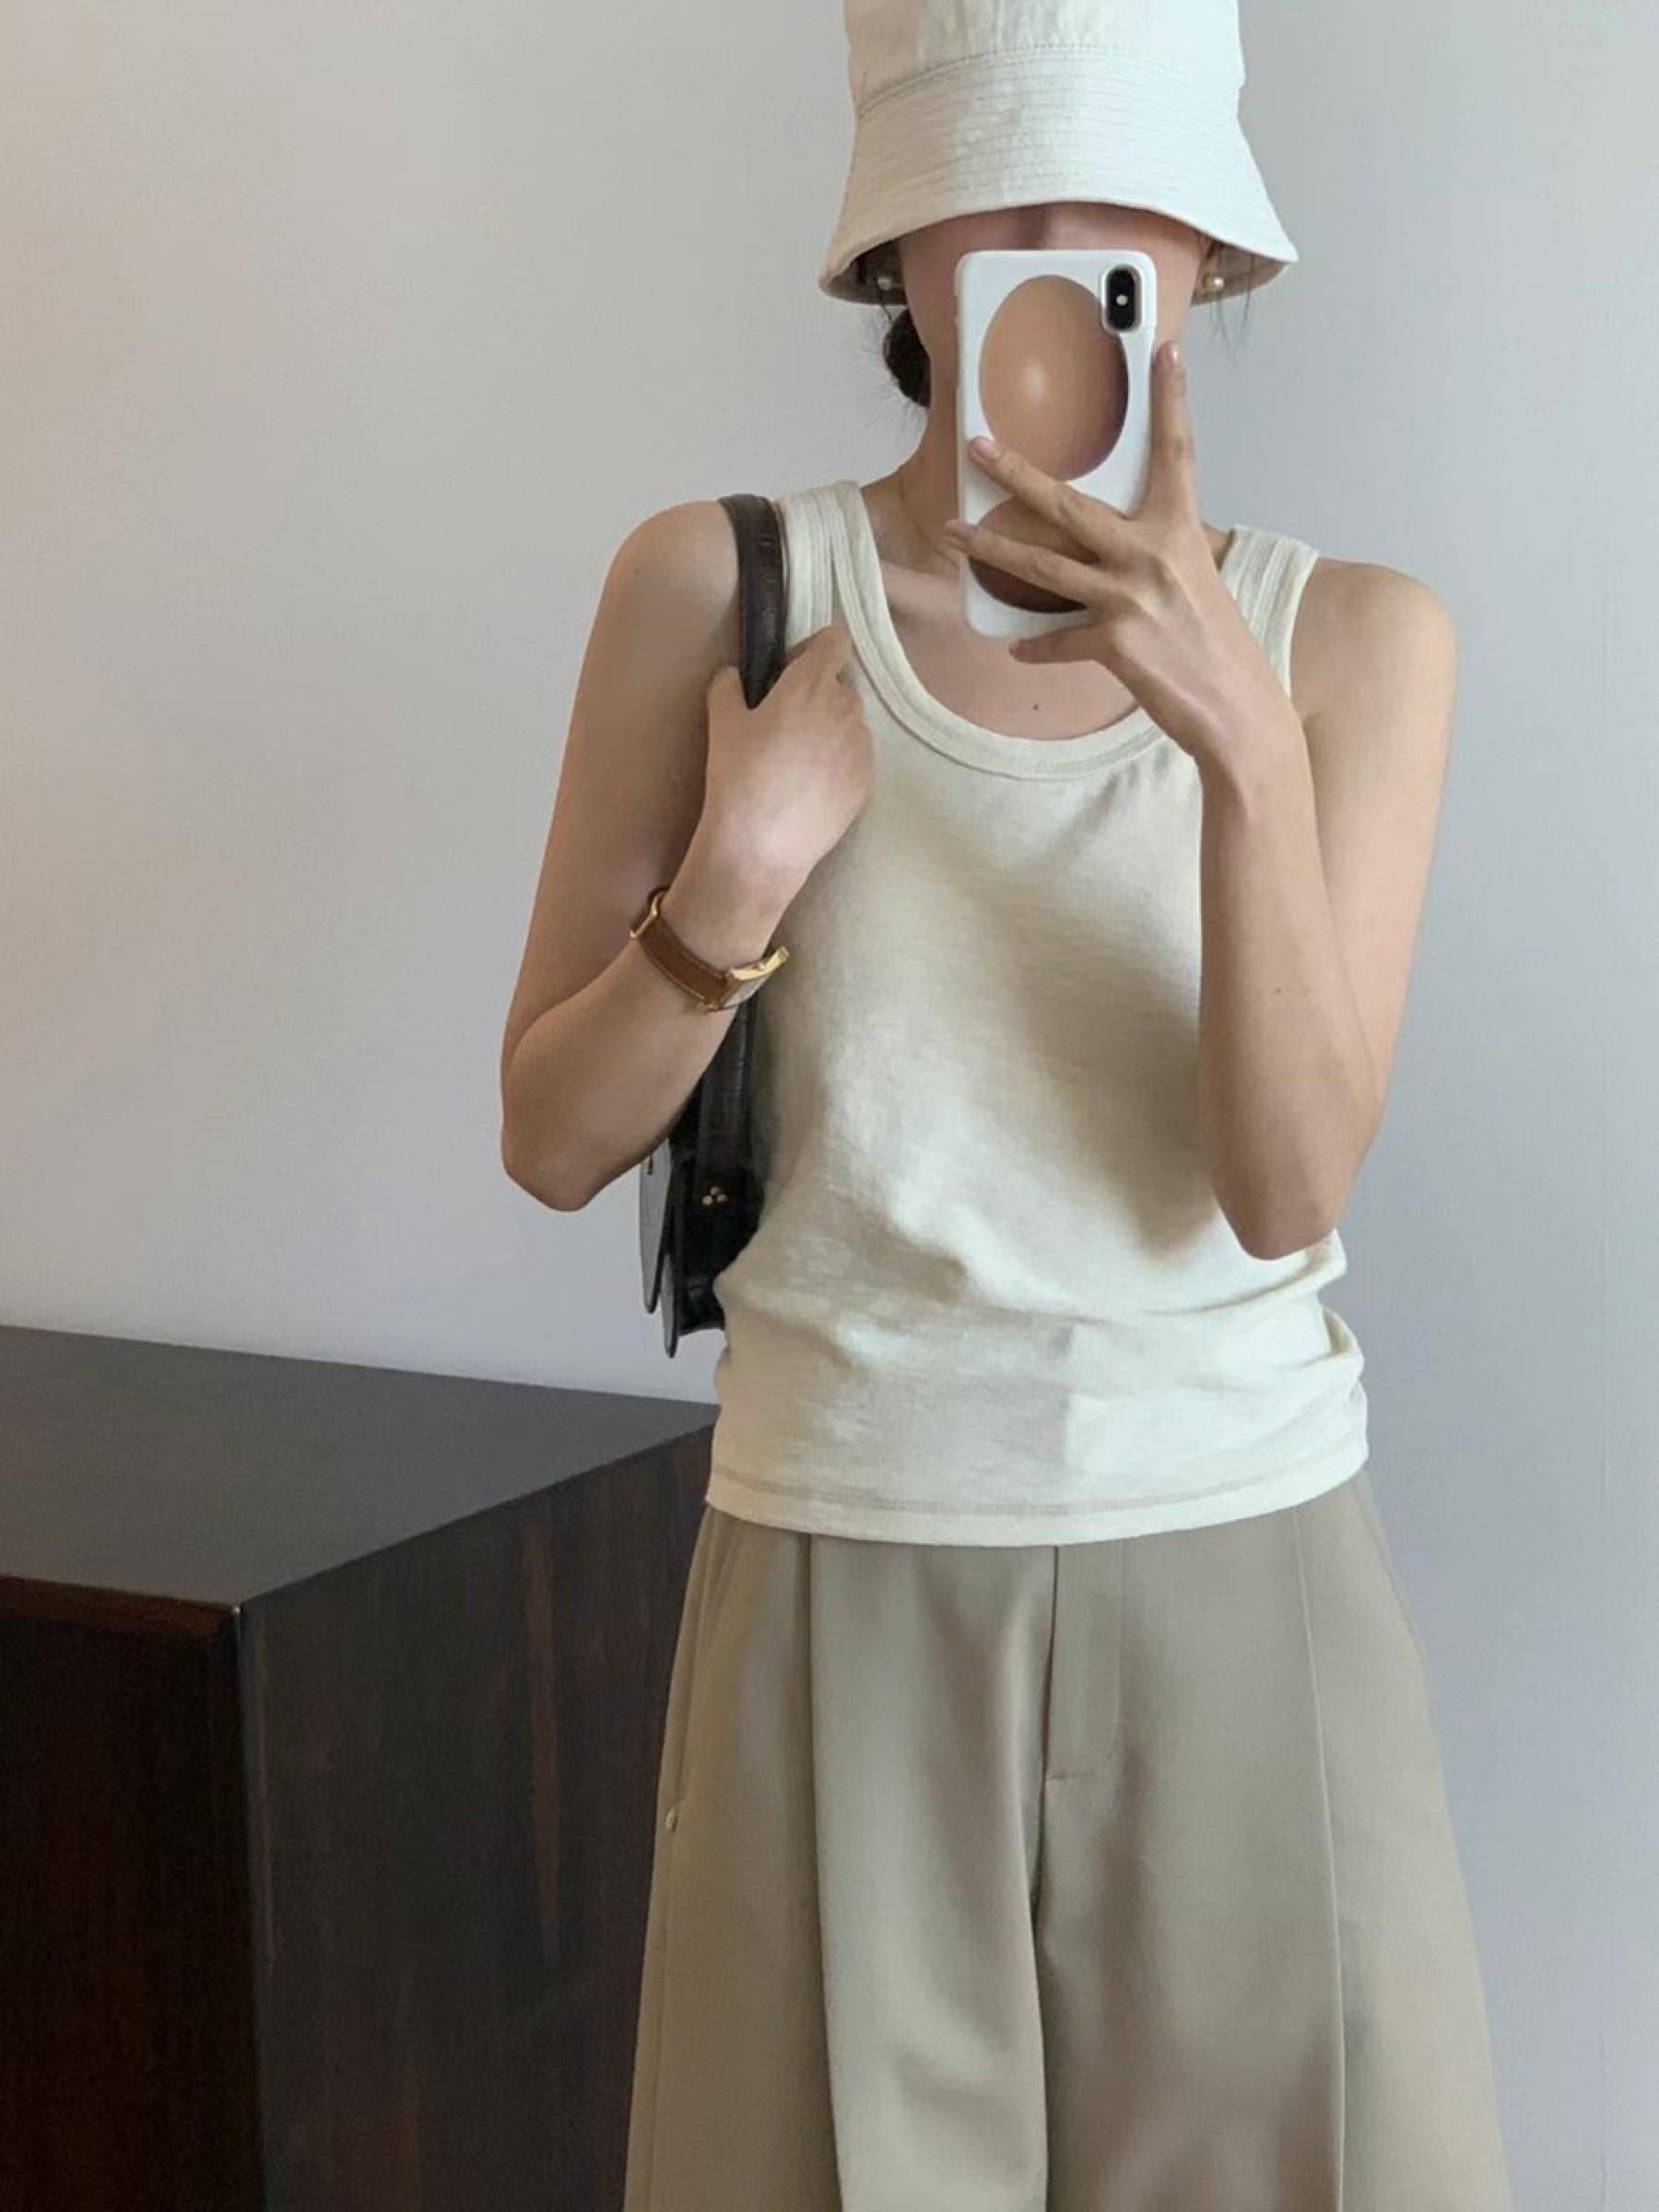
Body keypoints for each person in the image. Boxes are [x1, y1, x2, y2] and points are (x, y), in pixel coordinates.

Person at [498, 1, 1516, 2205]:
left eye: (1116, 201)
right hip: (844, 1561)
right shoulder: (720, 593)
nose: (1055, 242)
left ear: (1208, 254)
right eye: (991, 190)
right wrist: (734, 883)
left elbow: (1284, 1185)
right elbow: (556, 1138)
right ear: (896, 247)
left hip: (1242, 1558)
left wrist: (1238, 749)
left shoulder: (1356, 642)